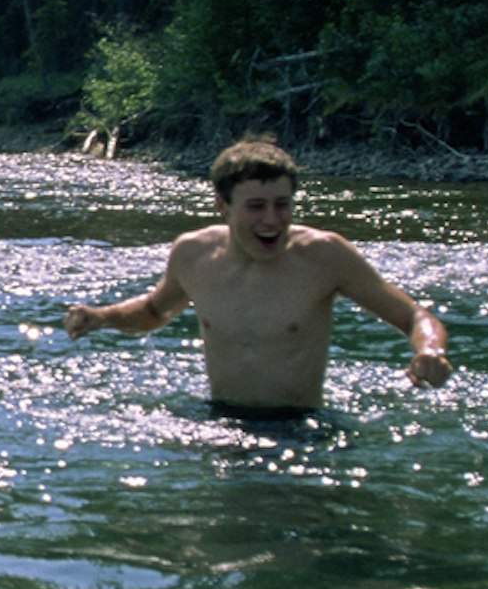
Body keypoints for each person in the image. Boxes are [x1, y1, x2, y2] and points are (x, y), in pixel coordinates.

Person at [61, 140, 452, 418]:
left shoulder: (324, 256)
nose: (272, 220)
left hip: (300, 430)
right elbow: (152, 311)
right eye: (256, 207)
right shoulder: (193, 254)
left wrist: (430, 350)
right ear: (223, 207)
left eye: (283, 205)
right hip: (219, 423)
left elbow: (413, 317)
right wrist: (105, 316)